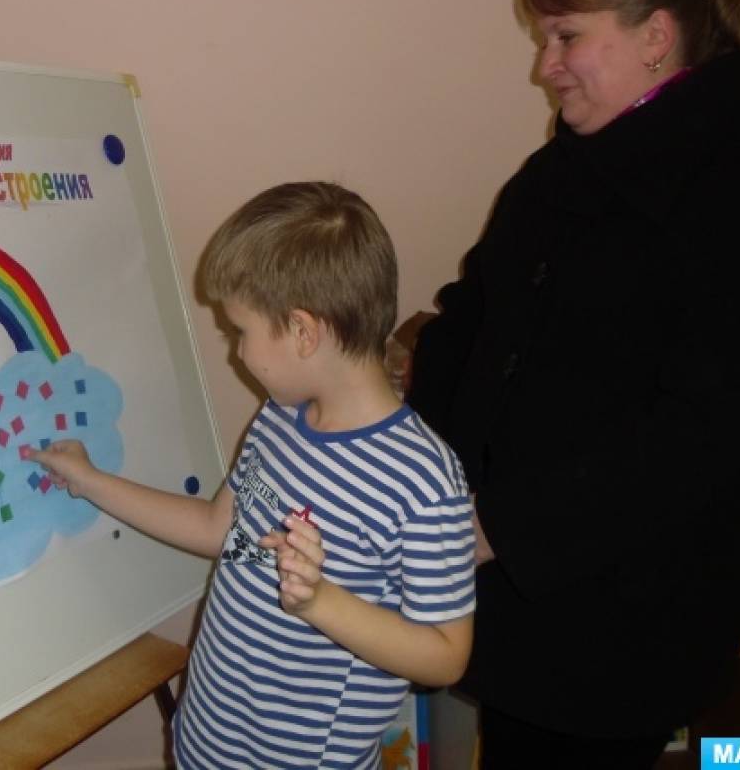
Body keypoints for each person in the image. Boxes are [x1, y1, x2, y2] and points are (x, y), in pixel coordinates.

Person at [407, 0, 740, 769]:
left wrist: (500, 526)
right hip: (509, 586)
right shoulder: (556, 170)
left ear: (655, 38)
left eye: (566, 36)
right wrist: (397, 456)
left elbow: (699, 431)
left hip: (629, 611)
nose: (545, 65)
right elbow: (470, 322)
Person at [30, 181, 476, 769]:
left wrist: (321, 602)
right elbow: (219, 528)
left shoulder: (423, 482)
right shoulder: (281, 418)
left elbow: (445, 656)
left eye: (241, 330)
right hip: (208, 742)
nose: (237, 351)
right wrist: (90, 481)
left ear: (303, 332)